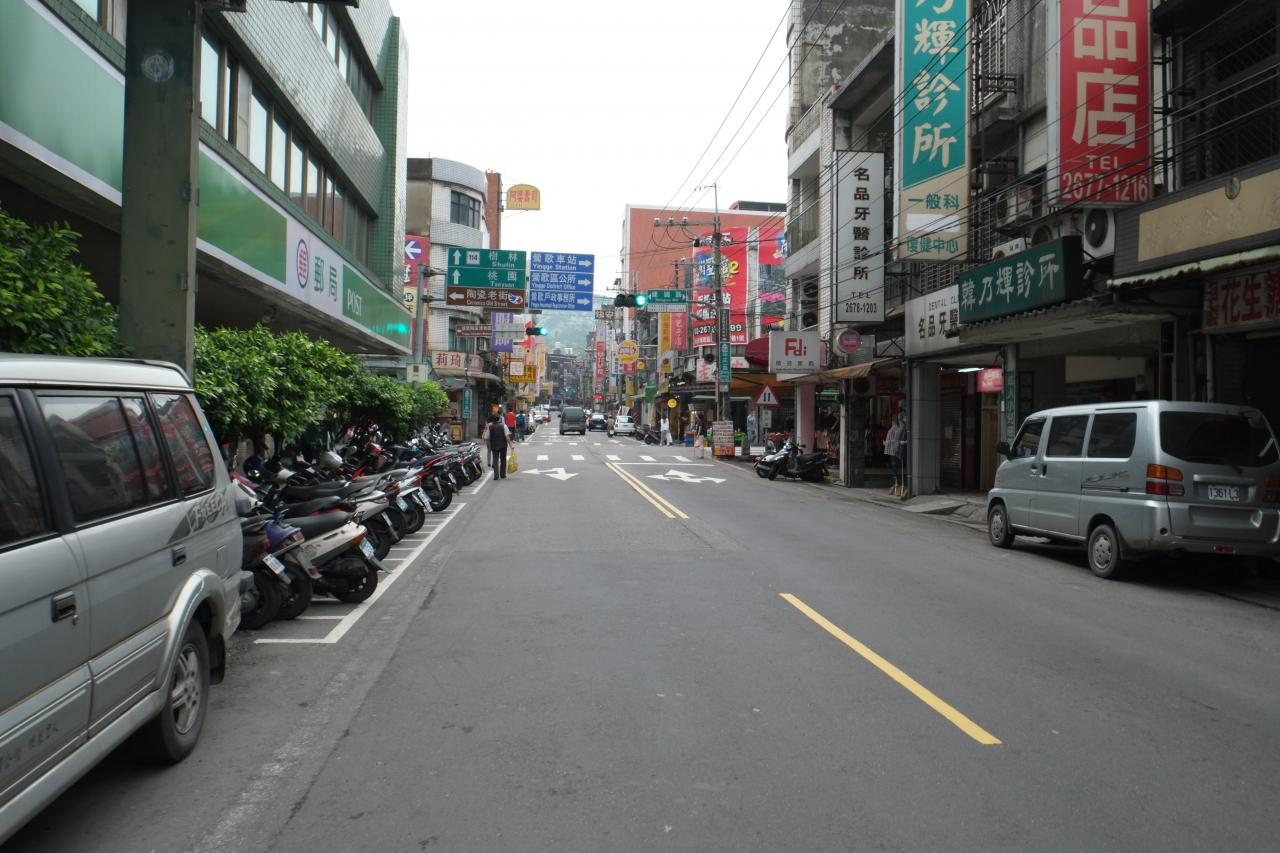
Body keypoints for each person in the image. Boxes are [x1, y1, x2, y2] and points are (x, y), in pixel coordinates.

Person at [487, 414, 510, 479]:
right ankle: (502, 474)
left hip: (494, 445)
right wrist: (511, 445)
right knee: (503, 459)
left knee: (495, 460)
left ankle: (496, 475)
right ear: (499, 419)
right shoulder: (504, 425)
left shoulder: (490, 427)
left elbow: (488, 437)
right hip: (503, 445)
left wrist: (489, 445)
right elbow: (507, 436)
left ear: (493, 420)